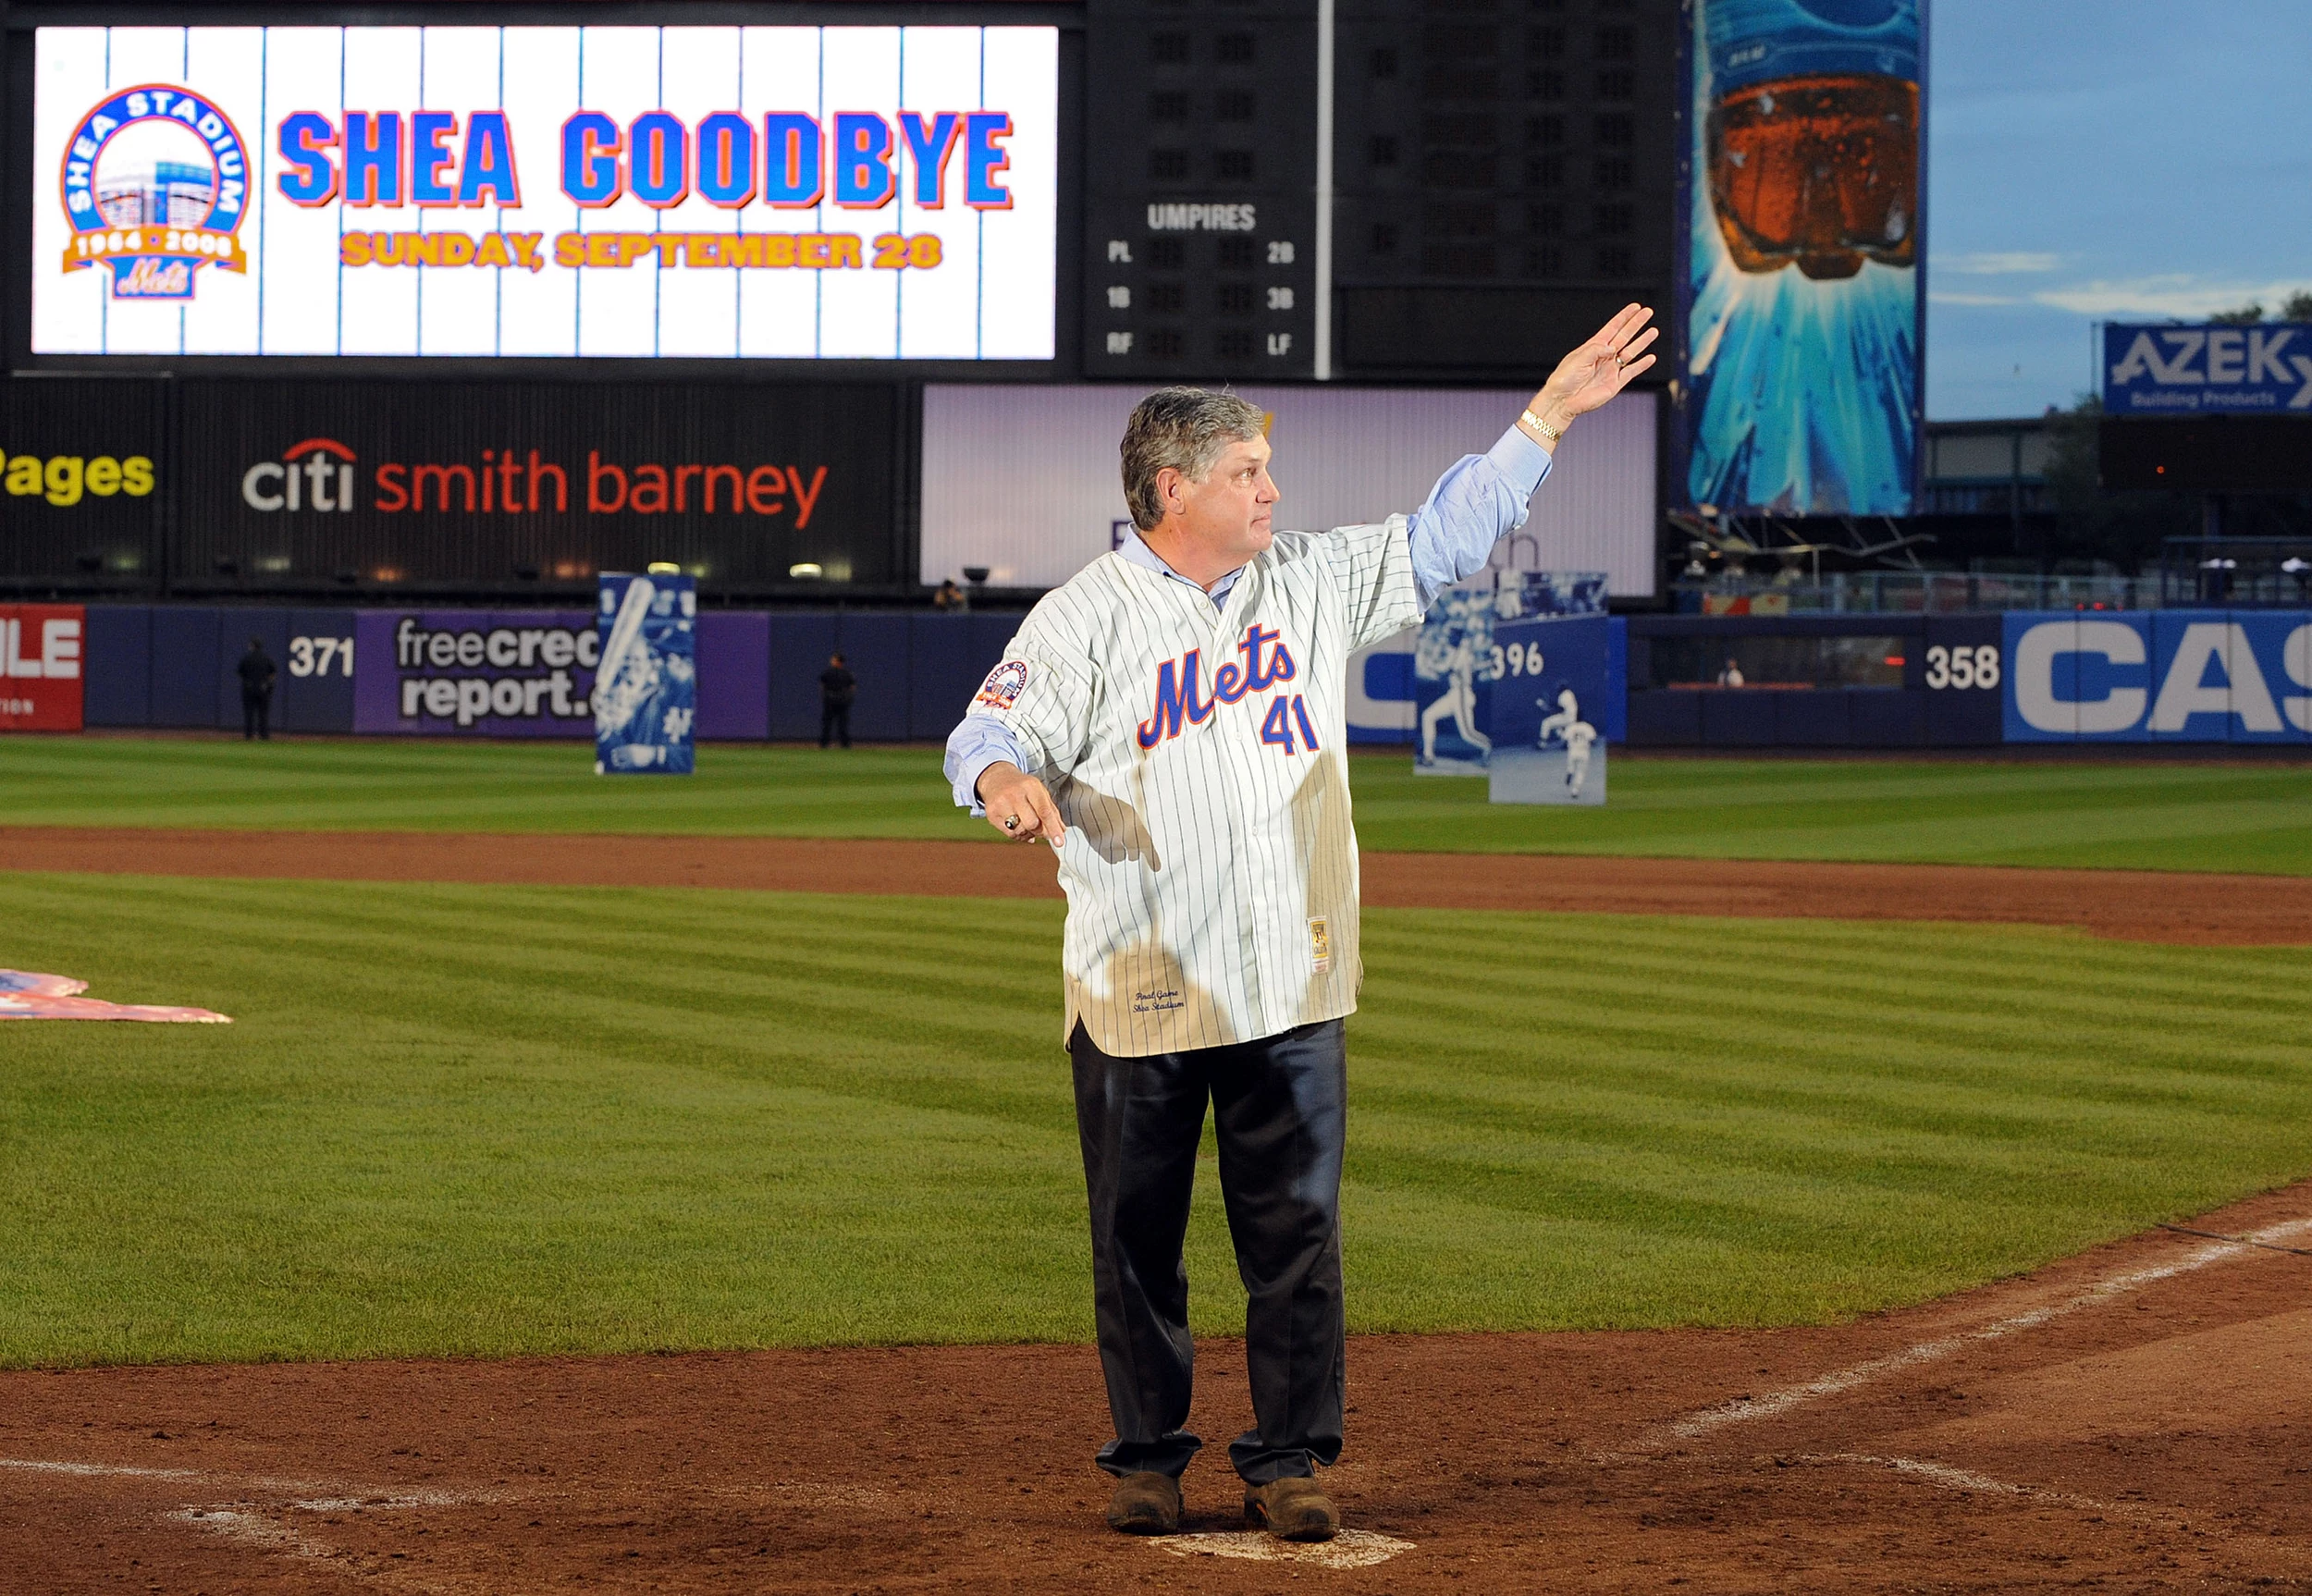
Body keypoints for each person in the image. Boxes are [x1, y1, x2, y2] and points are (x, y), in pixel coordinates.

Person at [942, 305, 1656, 1544]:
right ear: (1173, 488)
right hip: (1140, 982)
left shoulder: (1315, 579)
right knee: (1136, 1243)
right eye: (1246, 471)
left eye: (1267, 468)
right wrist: (1003, 780)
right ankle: (1147, 1457)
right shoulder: (1087, 614)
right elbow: (987, 725)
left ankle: (1289, 1460)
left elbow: (1450, 534)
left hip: (1293, 979)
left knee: (1297, 1239)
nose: (1273, 486)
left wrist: (1548, 415)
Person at [1418, 631, 1491, 766]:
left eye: (1450, 638)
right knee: (1428, 716)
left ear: (1456, 639)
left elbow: (1448, 670)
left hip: (1462, 694)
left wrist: (1430, 667)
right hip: (1453, 694)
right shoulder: (1455, 652)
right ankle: (1428, 756)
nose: (1448, 640)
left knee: (1467, 734)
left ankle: (1490, 748)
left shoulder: (1462, 653)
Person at [237, 636, 277, 742]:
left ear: (252, 646)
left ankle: (249, 736)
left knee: (249, 713)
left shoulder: (247, 658)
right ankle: (263, 736)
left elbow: (240, 673)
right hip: (263, 689)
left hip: (249, 689)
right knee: (263, 713)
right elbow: (273, 672)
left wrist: (248, 680)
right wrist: (268, 682)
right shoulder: (266, 658)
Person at [818, 652, 856, 748]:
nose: (831, 661)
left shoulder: (846, 673)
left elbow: (852, 686)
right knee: (828, 723)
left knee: (842, 724)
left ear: (839, 661)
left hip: (841, 701)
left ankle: (844, 743)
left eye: (833, 660)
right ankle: (825, 743)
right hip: (831, 700)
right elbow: (822, 685)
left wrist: (848, 698)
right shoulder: (828, 672)